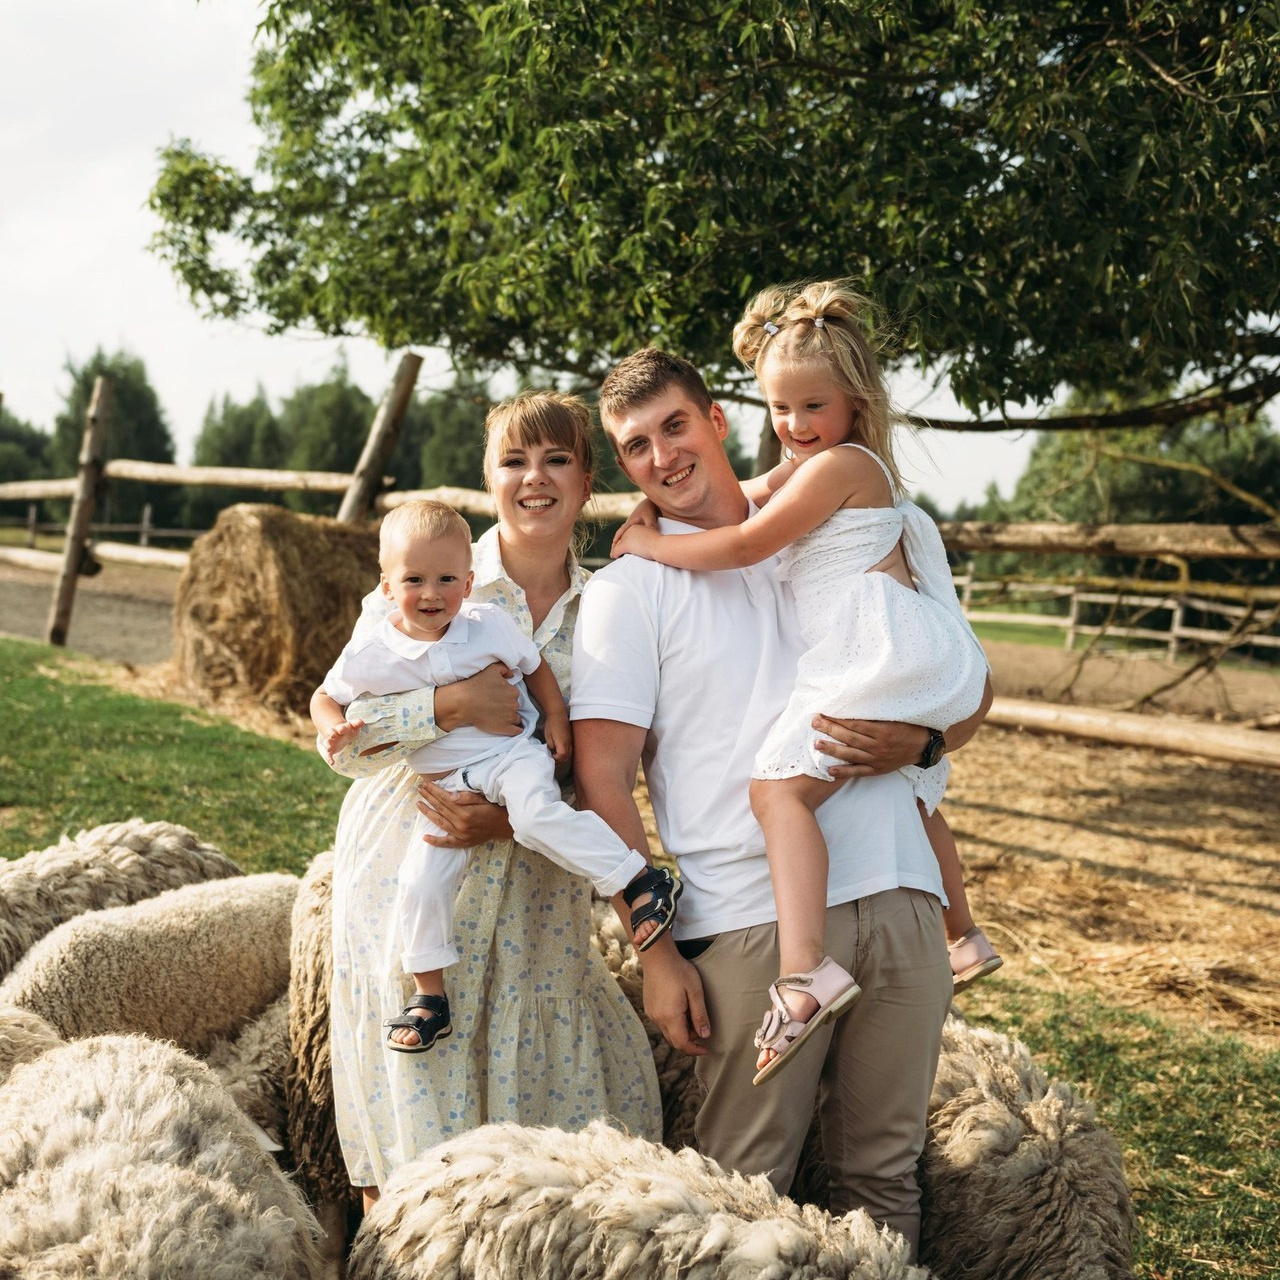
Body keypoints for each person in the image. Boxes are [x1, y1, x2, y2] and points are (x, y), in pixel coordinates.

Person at [572, 345, 991, 1259]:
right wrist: (654, 951)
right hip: (758, 922)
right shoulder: (629, 590)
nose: (662, 457)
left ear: (718, 422)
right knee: (740, 1185)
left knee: (884, 1176)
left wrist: (921, 744)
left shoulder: (819, 533)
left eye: (674, 426)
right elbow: (603, 781)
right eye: (635, 447)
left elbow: (950, 676)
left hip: (900, 894)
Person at [610, 281, 1001, 1084]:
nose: (793, 428)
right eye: (779, 410)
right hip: (880, 658)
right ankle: (963, 935)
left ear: (857, 403)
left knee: (779, 791)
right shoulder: (809, 464)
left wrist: (648, 545)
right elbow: (737, 503)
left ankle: (805, 976)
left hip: (876, 645)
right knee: (914, 791)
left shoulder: (844, 465)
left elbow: (745, 543)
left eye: (810, 407)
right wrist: (657, 512)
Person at [321, 391, 662, 1210]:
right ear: (488, 476)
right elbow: (347, 747)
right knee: (421, 1121)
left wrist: (510, 816)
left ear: (587, 480)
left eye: (555, 460)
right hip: (412, 848)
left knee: (544, 1142)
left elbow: (619, 761)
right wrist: (450, 709)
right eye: (514, 461)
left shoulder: (618, 604)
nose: (533, 478)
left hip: (538, 883)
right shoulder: (427, 567)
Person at [312, 498, 676, 1059]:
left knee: (534, 814)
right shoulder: (374, 648)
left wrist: (554, 718)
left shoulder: (489, 624)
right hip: (445, 783)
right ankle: (429, 995)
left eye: (446, 580)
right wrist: (336, 725)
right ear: (386, 587)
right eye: (414, 580)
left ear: (468, 580)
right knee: (420, 880)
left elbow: (534, 670)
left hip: (510, 757)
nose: (431, 593)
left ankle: (638, 880)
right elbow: (326, 697)